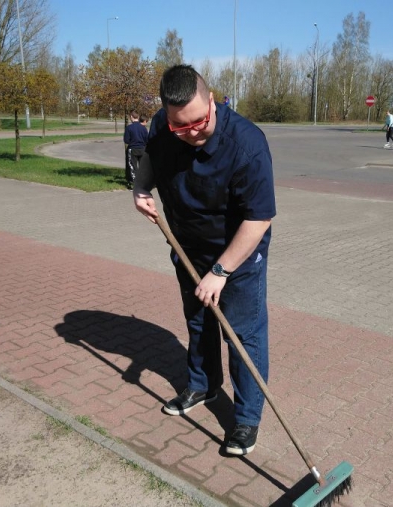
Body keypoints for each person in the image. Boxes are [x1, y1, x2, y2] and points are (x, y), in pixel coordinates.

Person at [132, 64, 276, 456]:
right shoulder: (163, 125)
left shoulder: (247, 144)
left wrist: (221, 271)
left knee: (242, 334)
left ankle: (246, 419)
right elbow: (152, 156)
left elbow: (259, 219)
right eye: (180, 126)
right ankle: (203, 385)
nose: (191, 132)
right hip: (187, 248)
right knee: (198, 321)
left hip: (238, 256)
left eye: (199, 121)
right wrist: (140, 188)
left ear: (211, 100)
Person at [123, 111, 149, 189]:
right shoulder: (143, 128)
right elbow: (147, 140)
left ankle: (134, 183)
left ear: (131, 117)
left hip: (133, 149)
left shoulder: (129, 128)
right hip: (142, 149)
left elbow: (126, 140)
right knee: (142, 167)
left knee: (132, 166)